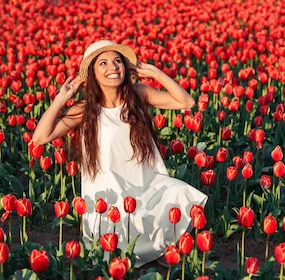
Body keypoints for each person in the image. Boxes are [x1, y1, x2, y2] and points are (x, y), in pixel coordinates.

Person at [33, 40, 207, 266]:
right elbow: (40, 137)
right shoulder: (85, 109)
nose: (113, 67)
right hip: (109, 199)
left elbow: (186, 101)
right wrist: (61, 99)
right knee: (115, 243)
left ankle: (154, 244)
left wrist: (154, 72)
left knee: (181, 192)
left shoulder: (138, 94)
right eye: (103, 63)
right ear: (93, 74)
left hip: (146, 186)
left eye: (117, 61)